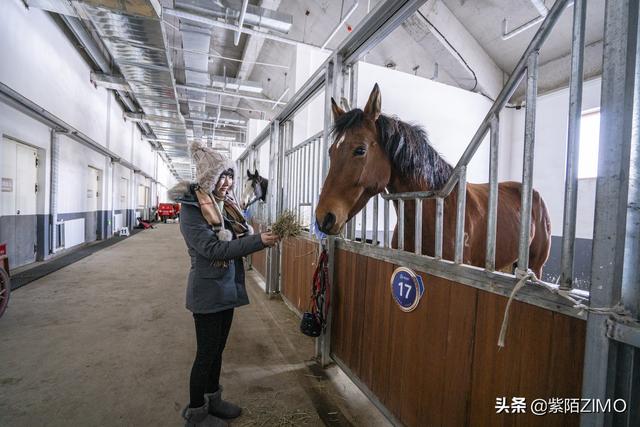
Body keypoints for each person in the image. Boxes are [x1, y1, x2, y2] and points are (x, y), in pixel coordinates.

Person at [169, 142, 279, 427]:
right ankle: (196, 413)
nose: (228, 181)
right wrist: (257, 242)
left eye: (230, 175)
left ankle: (213, 400)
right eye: (222, 175)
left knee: (218, 350)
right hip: (207, 290)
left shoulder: (226, 205)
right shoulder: (191, 210)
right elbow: (213, 250)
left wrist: (257, 237)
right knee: (205, 353)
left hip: (227, 287)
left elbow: (238, 239)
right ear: (208, 177)